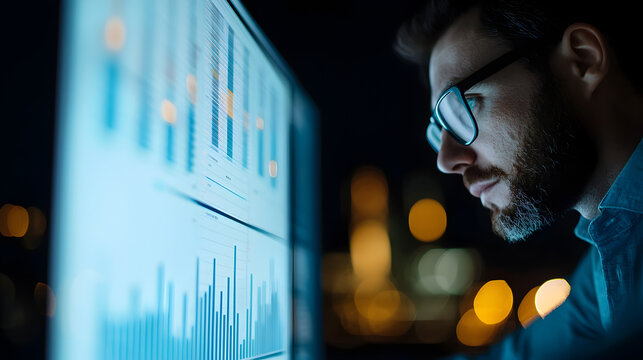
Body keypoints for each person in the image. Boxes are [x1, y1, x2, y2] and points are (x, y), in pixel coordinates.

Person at [395, 0, 643, 358]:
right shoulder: (607, 265)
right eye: (440, 130)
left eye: (463, 106)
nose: (446, 160)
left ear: (583, 60)